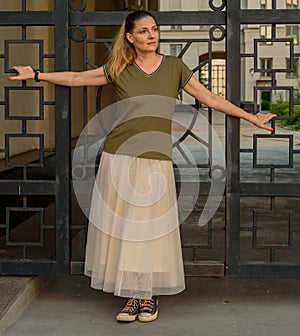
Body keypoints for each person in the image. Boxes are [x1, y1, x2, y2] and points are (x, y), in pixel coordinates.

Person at [9, 10, 276, 323]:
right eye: (145, 31)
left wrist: (251, 116)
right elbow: (76, 79)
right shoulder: (119, 67)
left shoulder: (175, 67)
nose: (152, 35)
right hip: (117, 158)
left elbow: (211, 98)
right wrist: (36, 74)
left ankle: (148, 295)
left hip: (155, 161)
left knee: (149, 231)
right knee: (126, 231)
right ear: (131, 37)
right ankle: (134, 296)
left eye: (155, 29)